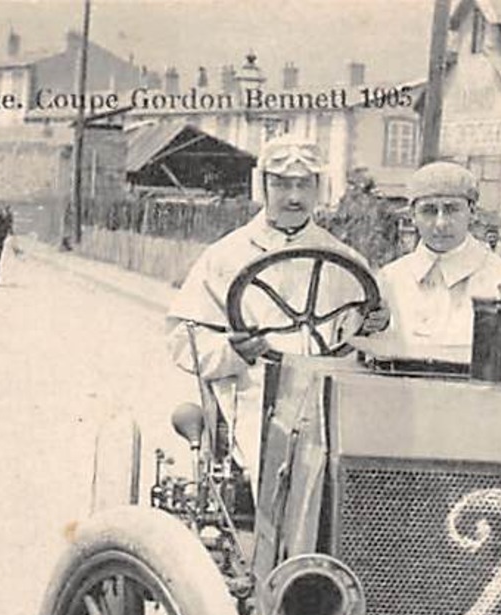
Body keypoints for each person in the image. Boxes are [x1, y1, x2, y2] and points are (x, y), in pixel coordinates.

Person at [164, 136, 384, 479]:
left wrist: (373, 327)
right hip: (250, 391)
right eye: (281, 184)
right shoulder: (224, 256)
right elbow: (183, 340)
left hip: (328, 393)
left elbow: (367, 340)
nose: (294, 197)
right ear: (262, 185)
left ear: (319, 188)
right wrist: (234, 351)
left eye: (304, 184)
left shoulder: (345, 261)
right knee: (273, 465)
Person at [377, 161, 501, 356]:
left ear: (472, 212)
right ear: (412, 215)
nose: (440, 223)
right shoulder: (390, 280)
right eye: (429, 210)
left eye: (451, 209)